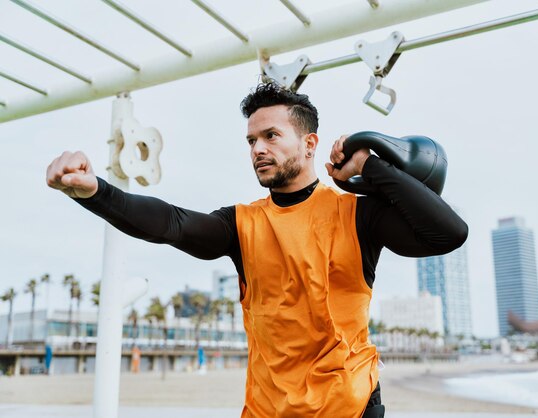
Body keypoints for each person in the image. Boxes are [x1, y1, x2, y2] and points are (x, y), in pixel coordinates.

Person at [46, 82, 468, 418]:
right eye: (251, 140)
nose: (258, 149)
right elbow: (171, 223)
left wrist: (370, 166)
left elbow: (448, 232)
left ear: (309, 143)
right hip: (267, 410)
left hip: (350, 407)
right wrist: (95, 191)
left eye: (271, 136)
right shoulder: (240, 224)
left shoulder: (357, 216)